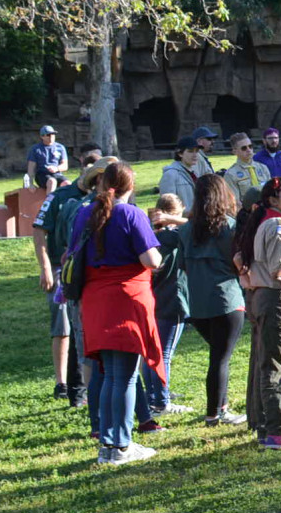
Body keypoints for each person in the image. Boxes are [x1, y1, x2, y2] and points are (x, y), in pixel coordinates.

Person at [69, 161, 165, 465]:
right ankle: (121, 445)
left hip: (95, 300)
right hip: (126, 299)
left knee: (110, 373)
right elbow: (151, 259)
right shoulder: (131, 214)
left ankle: (109, 444)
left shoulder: (84, 213)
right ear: (130, 186)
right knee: (123, 376)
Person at [35, 148, 106, 403]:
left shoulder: (106, 198)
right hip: (61, 267)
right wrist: (45, 268)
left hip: (90, 270)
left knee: (85, 326)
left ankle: (86, 385)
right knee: (63, 326)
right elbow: (39, 231)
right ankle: (62, 382)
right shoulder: (61, 197)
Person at [237, 175, 281, 449]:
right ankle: (277, 428)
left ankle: (262, 421)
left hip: (261, 295)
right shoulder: (277, 225)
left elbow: (240, 258)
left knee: (265, 359)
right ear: (274, 199)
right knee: (273, 362)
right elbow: (277, 268)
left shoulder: (263, 221)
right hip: (275, 296)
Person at [183, 173, 247, 427]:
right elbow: (237, 263)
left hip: (197, 304)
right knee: (220, 358)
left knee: (218, 356)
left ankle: (220, 407)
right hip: (225, 300)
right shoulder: (228, 227)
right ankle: (215, 413)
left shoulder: (186, 230)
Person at [143, 193, 192, 424]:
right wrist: (174, 220)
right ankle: (162, 402)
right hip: (173, 301)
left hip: (152, 301)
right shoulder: (173, 236)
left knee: (151, 353)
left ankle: (152, 396)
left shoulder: (150, 237)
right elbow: (196, 226)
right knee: (164, 354)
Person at [158, 140, 206, 213]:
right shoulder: (170, 175)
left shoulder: (195, 173)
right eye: (190, 151)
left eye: (196, 151)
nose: (195, 154)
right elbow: (167, 206)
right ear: (180, 153)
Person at [223, 132, 270, 207]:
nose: (248, 150)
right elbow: (235, 202)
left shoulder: (263, 168)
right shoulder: (231, 174)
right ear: (235, 151)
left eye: (250, 146)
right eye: (244, 148)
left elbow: (270, 192)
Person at [26, 124, 68, 189]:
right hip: (42, 175)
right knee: (52, 181)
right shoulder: (35, 149)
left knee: (67, 183)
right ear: (42, 136)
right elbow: (31, 167)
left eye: (53, 134)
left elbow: (65, 166)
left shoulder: (60, 147)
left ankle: (67, 199)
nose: (51, 136)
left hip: (57, 174)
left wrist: (56, 168)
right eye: (48, 135)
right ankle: (50, 199)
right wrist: (30, 183)